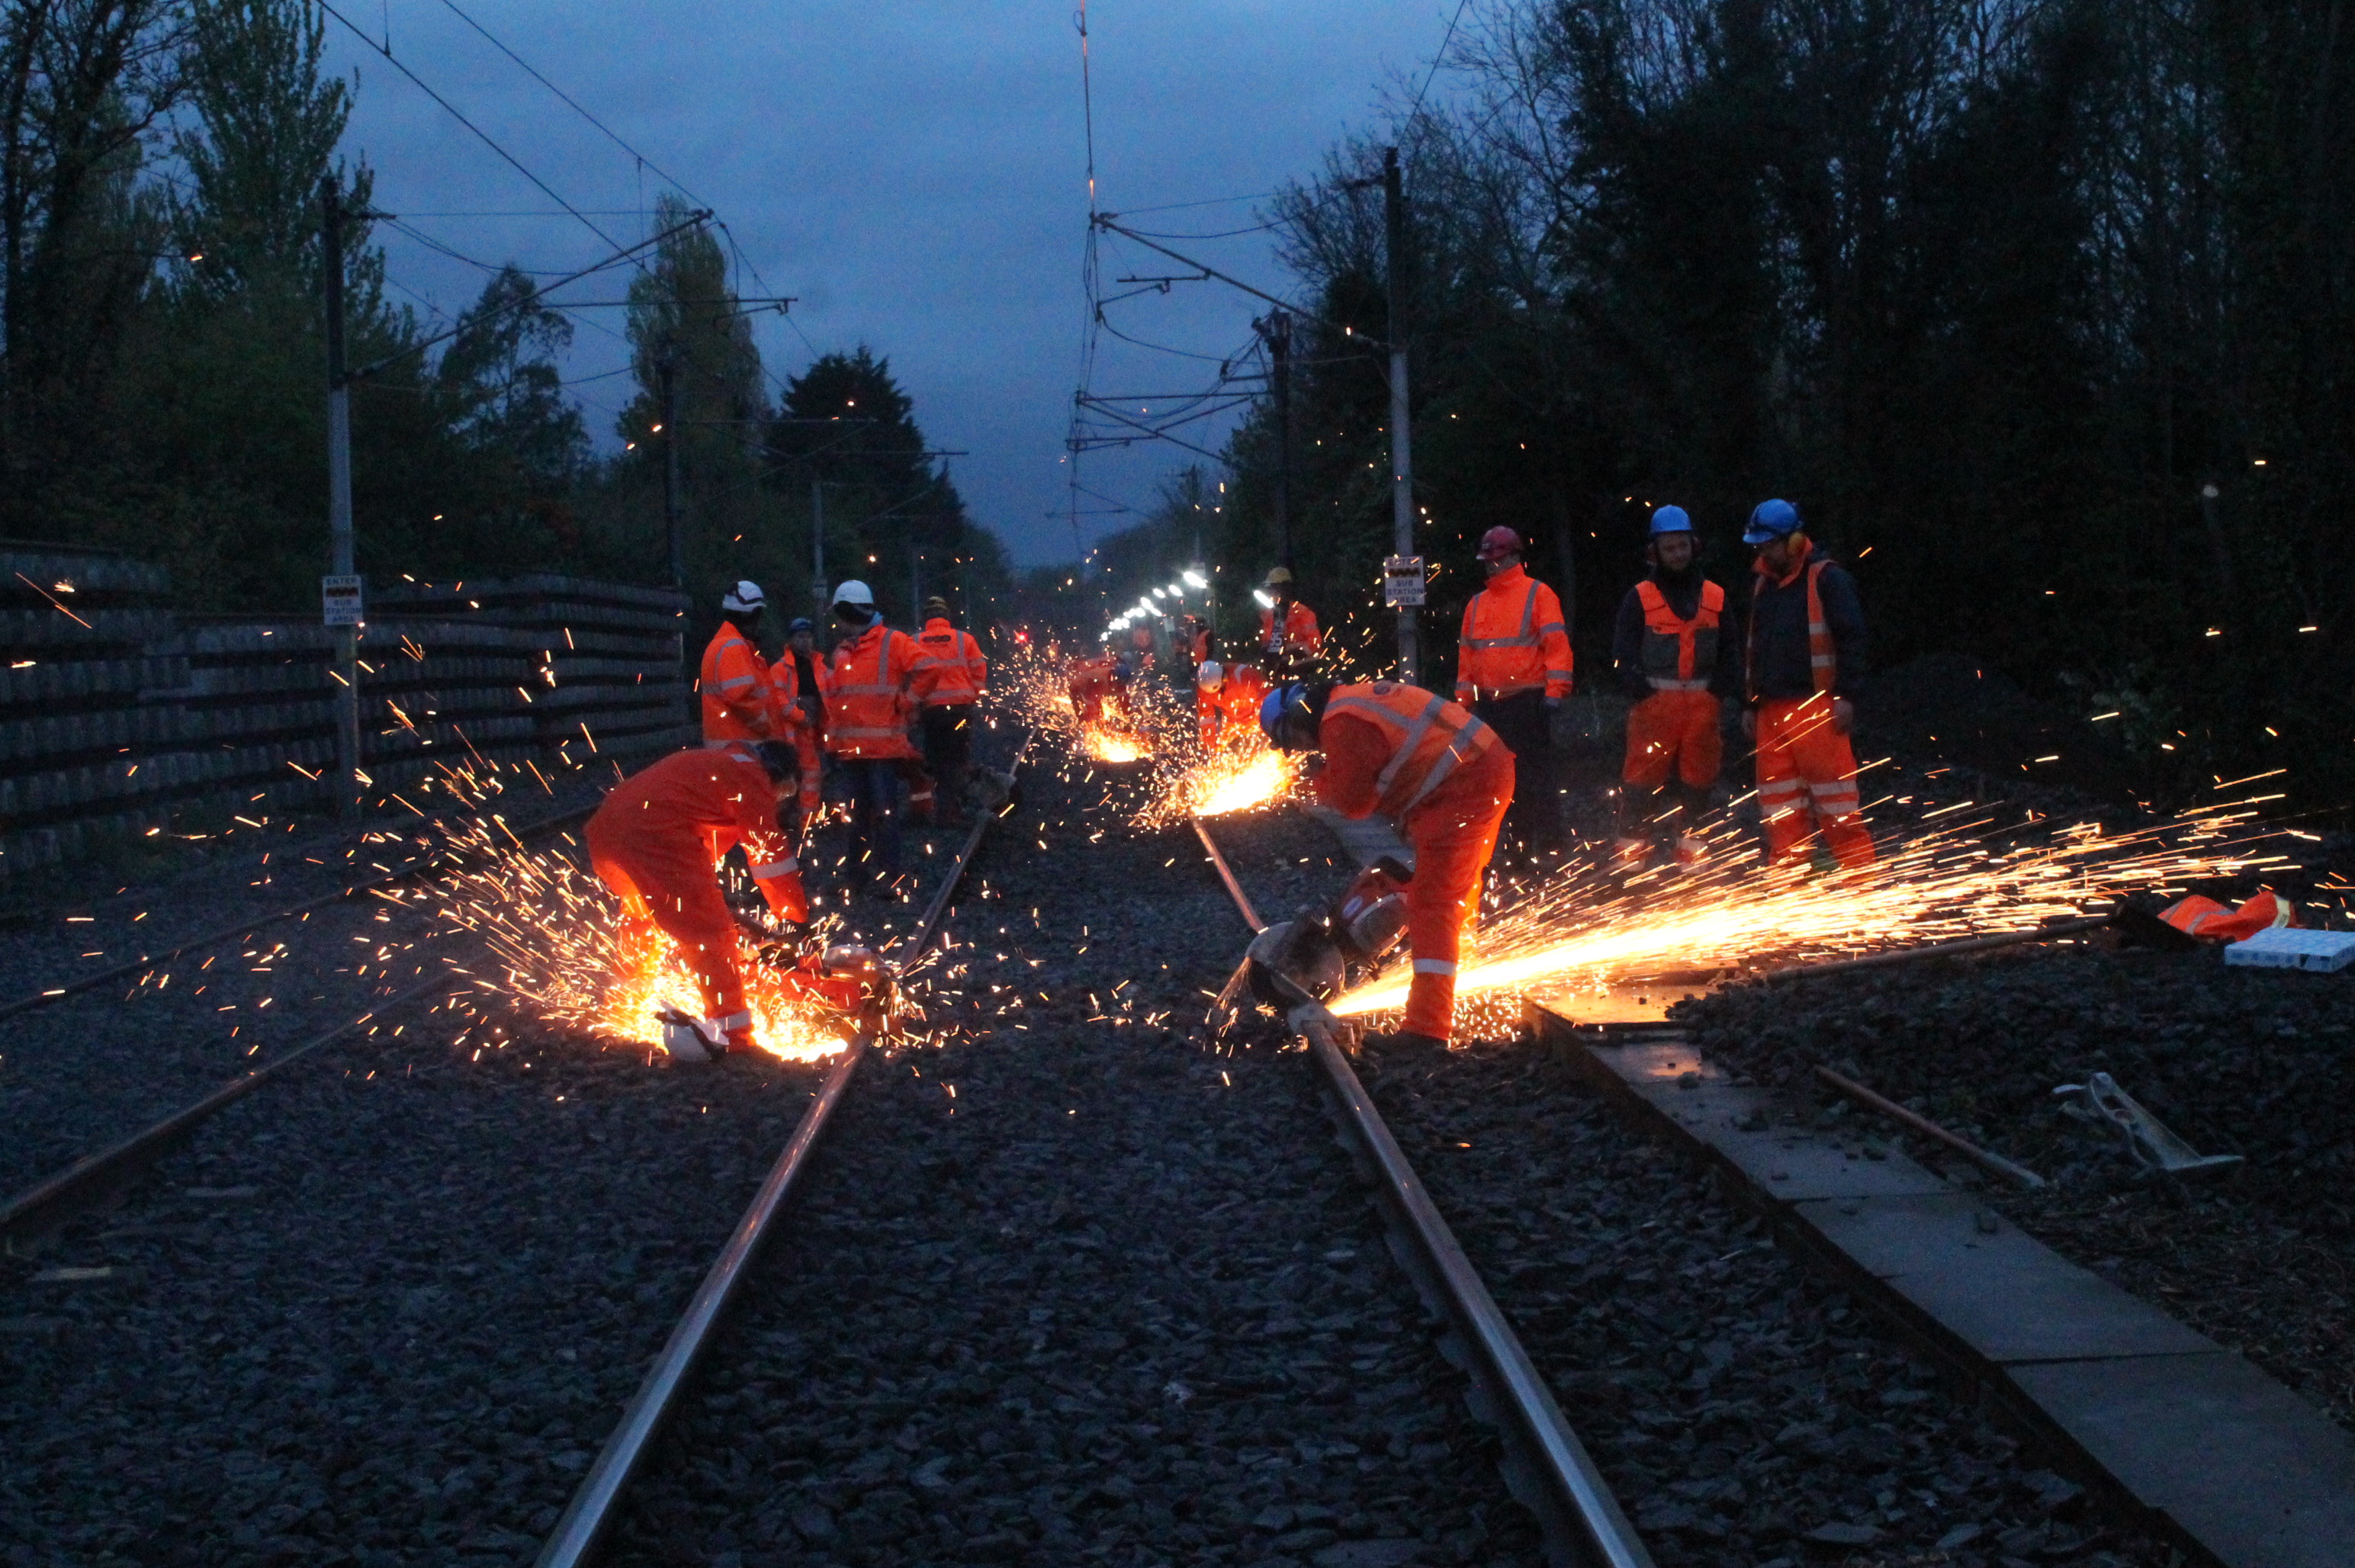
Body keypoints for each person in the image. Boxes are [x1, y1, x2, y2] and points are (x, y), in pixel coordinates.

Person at [1261, 679, 1514, 1049]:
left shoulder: (1340, 723)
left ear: (1300, 713)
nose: (1299, 749)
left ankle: (1427, 1030)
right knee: (1457, 893)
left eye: (1292, 739)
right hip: (1481, 768)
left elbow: (1354, 803)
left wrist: (1315, 784)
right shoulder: (1347, 704)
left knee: (1432, 904)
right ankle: (1459, 984)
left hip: (1464, 784)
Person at [585, 741, 808, 1059]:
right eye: (783, 794)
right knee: (710, 934)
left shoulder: (715, 764)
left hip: (605, 835)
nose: (778, 802)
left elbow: (696, 853)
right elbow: (770, 856)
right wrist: (795, 916)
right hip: (651, 837)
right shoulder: (751, 777)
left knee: (644, 919)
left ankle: (623, 1006)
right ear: (777, 776)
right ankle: (733, 1036)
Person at [1740, 499, 1873, 868]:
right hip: (1771, 712)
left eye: (1769, 544)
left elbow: (1853, 639)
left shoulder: (1828, 579)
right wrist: (1751, 703)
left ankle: (1862, 890)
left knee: (1839, 810)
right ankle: (1789, 898)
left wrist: (1847, 695)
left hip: (1817, 710)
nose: (1763, 551)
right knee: (1780, 816)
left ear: (1796, 540)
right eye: (1760, 545)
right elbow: (1755, 649)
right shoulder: (1763, 586)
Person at [1611, 506, 1740, 865]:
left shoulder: (1715, 596)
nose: (1677, 554)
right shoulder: (1639, 597)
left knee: (1698, 789)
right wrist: (1639, 691)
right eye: (1670, 548)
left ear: (1693, 546)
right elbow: (1621, 653)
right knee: (1639, 790)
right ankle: (1632, 870)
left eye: (1682, 546)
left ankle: (1693, 869)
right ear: (1656, 552)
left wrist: (1719, 691)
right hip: (1653, 710)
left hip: (1702, 710)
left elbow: (1732, 649)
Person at [1454, 526, 1571, 863]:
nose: (1493, 566)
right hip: (1491, 707)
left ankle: (1550, 848)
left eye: (1499, 559)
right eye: (1489, 560)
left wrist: (1555, 692)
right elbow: (1468, 660)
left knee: (1535, 779)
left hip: (1529, 701)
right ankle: (1517, 852)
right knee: (1498, 783)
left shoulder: (1538, 595)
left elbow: (1557, 647)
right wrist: (1464, 705)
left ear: (1515, 557)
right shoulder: (1476, 605)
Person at [823, 580, 933, 883]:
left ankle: (888, 877)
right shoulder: (842, 652)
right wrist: (833, 743)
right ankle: (857, 877)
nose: (838, 622)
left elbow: (929, 669)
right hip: (852, 751)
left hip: (882, 751)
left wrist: (906, 702)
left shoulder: (893, 642)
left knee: (884, 815)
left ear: (849, 612)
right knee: (858, 817)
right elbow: (838, 701)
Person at [914, 596, 987, 826]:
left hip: (931, 712)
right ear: (947, 616)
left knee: (935, 759)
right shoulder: (965, 640)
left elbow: (907, 676)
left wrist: (913, 706)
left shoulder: (913, 641)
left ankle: (932, 808)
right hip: (960, 711)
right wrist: (972, 696)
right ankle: (951, 810)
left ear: (926, 617)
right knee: (957, 760)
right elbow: (979, 672)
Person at [699, 581, 779, 747]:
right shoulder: (734, 646)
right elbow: (741, 697)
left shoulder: (719, 644)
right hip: (741, 748)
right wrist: (766, 727)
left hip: (728, 746)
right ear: (750, 614)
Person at [1258, 567, 1322, 676]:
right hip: (1276, 670)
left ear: (1285, 589)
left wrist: (1288, 650)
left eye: (1276, 588)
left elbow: (1314, 644)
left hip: (1301, 669)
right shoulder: (1268, 615)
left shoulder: (1303, 613)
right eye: (1271, 588)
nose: (1272, 592)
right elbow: (1266, 644)